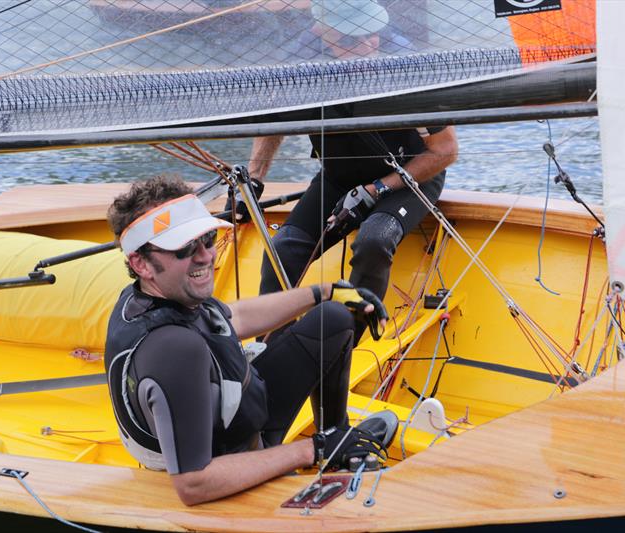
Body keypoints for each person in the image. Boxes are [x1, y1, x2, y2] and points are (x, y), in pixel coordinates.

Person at [104, 175, 395, 506]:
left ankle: (339, 441)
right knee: (319, 440)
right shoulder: (173, 348)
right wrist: (312, 448)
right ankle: (333, 447)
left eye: (208, 239)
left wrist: (325, 292)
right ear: (141, 263)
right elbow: (194, 484)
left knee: (336, 316)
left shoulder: (156, 296)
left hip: (244, 416)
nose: (204, 256)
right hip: (231, 462)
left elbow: (234, 318)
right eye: (184, 247)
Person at [252, 0, 458, 340]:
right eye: (349, 40)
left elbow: (446, 150)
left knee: (375, 240)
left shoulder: (408, 67)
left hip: (409, 177)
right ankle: (271, 344)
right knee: (283, 248)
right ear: (321, 32)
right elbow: (274, 121)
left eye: (371, 36)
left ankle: (349, 341)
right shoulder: (298, 65)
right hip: (339, 177)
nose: (363, 47)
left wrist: (376, 190)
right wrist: (256, 178)